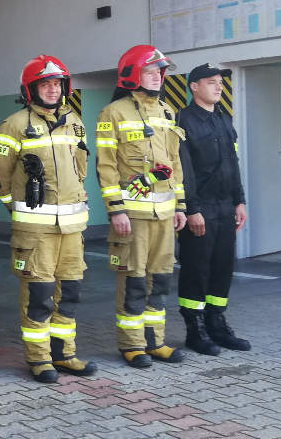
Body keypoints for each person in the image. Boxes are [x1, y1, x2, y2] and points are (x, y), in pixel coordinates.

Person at [0, 55, 97, 383]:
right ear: (31, 88)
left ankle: (65, 354)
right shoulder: (14, 124)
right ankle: (39, 359)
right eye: (45, 84)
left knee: (70, 292)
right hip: (35, 231)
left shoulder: (74, 121)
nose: (52, 90)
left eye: (57, 84)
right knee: (39, 296)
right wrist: (17, 210)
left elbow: (79, 171)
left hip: (72, 227)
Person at [95, 45, 187, 368]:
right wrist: (115, 209)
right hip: (132, 215)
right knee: (133, 280)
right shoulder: (113, 113)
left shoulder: (167, 112)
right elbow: (105, 166)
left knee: (160, 280)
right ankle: (132, 345)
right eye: (150, 71)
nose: (157, 77)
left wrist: (181, 205)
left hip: (164, 213)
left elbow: (174, 162)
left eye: (160, 72)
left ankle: (155, 341)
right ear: (133, 74)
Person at [176, 63, 251, 354]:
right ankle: (195, 330)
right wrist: (192, 209)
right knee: (197, 269)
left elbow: (233, 165)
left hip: (224, 207)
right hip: (201, 208)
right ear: (194, 86)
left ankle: (217, 323)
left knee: (222, 268)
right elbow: (184, 171)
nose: (218, 87)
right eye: (211, 82)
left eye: (219, 82)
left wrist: (239, 200)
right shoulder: (183, 121)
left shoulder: (223, 119)